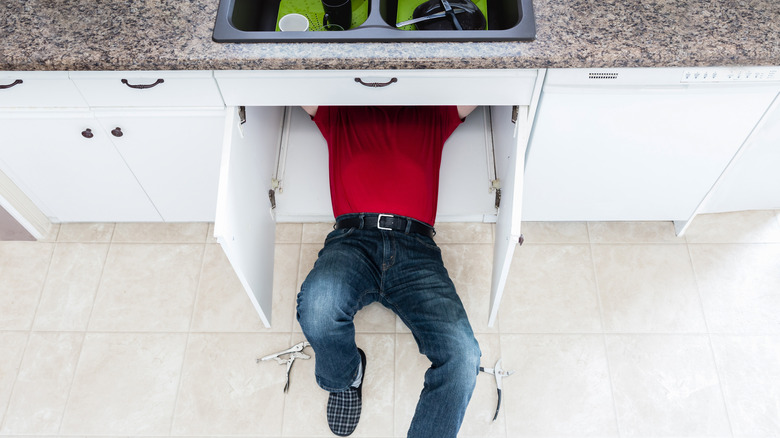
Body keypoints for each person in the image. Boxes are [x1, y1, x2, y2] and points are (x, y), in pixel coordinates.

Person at [296, 105, 481, 438]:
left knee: (464, 357)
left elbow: (488, 80)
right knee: (317, 309)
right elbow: (289, 77)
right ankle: (345, 377)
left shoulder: (434, 113)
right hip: (353, 240)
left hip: (416, 249)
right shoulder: (340, 111)